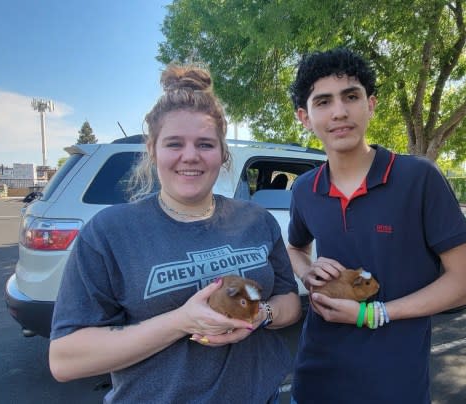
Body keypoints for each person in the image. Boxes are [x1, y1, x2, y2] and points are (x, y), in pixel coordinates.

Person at [48, 64, 301, 403]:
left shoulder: (256, 219)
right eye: (174, 143)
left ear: (222, 153)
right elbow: (65, 359)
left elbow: (288, 303)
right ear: (152, 150)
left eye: (205, 144)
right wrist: (181, 321)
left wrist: (259, 315)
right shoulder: (110, 232)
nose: (191, 156)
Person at [286, 48, 466, 403]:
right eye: (323, 102)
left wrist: (372, 313)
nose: (339, 112)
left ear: (371, 104)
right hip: (316, 377)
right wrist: (306, 270)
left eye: (351, 96)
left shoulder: (418, 178)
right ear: (304, 117)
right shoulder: (304, 189)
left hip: (395, 385)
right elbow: (295, 248)